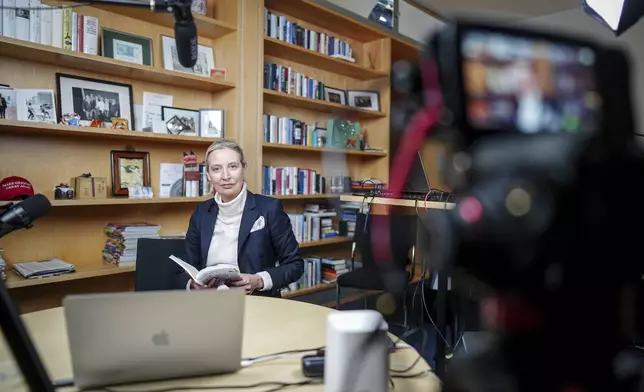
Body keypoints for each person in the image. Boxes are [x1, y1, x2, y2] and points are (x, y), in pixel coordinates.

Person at [183, 140, 304, 296]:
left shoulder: (269, 208)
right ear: (208, 175)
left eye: (233, 166)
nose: (225, 176)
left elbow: (295, 265)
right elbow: (186, 266)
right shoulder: (201, 212)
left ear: (243, 168)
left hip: (256, 304)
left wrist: (259, 280)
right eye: (216, 169)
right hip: (209, 303)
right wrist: (193, 285)